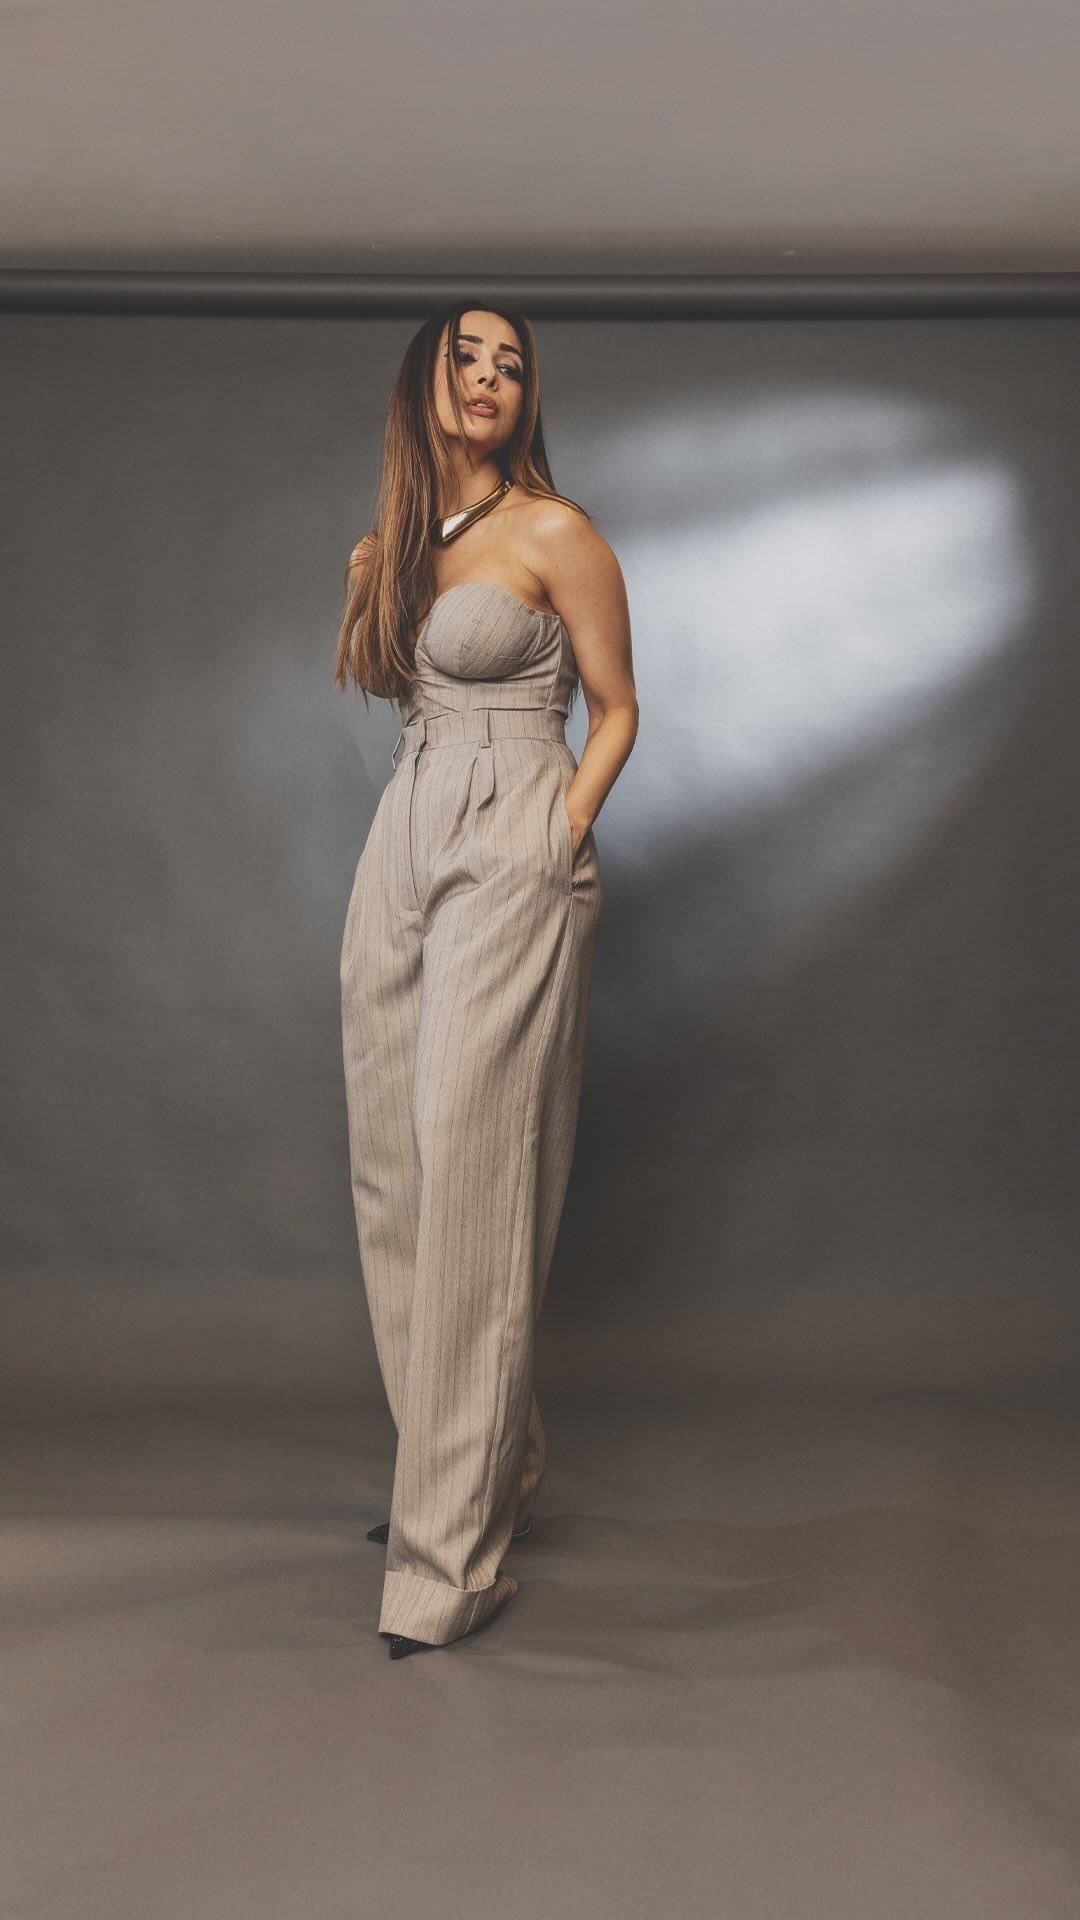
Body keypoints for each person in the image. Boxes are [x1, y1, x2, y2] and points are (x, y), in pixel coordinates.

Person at [335, 302, 638, 1658]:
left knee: (473, 1179)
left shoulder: (555, 532)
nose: (492, 377)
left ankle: (445, 1565)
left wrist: (554, 836)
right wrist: (374, 576)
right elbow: (387, 686)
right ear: (424, 380)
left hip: (512, 833)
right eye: (469, 356)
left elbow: (619, 707)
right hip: (403, 836)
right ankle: (465, 1468)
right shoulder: (397, 546)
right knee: (395, 1171)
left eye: (512, 365)